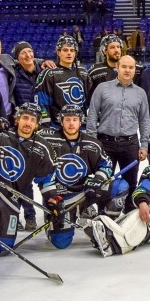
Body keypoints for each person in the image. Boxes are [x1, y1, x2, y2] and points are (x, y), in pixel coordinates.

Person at [37, 105, 128, 248]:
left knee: (121, 186)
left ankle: (103, 221)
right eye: (67, 120)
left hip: (84, 192)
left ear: (80, 122)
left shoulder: (91, 143)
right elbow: (26, 137)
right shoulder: (48, 139)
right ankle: (54, 218)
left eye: (75, 120)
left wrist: (98, 179)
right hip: (59, 198)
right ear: (61, 122)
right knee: (61, 243)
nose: (71, 124)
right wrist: (51, 197)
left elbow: (106, 165)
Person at [0, 102, 58, 239]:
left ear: (37, 124)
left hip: (11, 200)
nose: (28, 123)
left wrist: (54, 203)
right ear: (17, 119)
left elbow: (47, 181)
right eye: (25, 118)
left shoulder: (43, 147)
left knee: (2, 246)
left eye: (32, 120)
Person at [87, 55, 150, 213]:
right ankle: (102, 216)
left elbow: (144, 120)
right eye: (124, 67)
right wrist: (92, 143)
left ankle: (128, 215)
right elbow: (92, 115)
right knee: (102, 182)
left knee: (131, 182)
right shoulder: (102, 88)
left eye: (131, 67)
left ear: (135, 70)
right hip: (105, 144)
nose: (127, 70)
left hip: (130, 144)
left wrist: (144, 145)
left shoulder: (140, 93)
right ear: (117, 68)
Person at [34, 36, 91, 128]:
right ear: (58, 52)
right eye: (65, 50)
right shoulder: (49, 74)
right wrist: (45, 125)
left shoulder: (83, 73)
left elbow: (90, 101)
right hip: (57, 127)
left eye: (72, 50)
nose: (69, 53)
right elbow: (41, 100)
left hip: (80, 126)